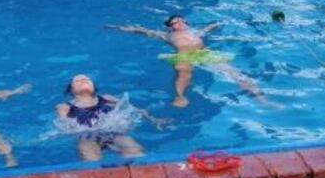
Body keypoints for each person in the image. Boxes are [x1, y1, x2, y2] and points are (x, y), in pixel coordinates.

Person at [107, 15, 263, 108]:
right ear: (170, 27)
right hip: (183, 55)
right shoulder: (166, 35)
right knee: (183, 73)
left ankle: (260, 97)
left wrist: (218, 23)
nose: (180, 23)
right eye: (175, 22)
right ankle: (180, 96)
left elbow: (210, 28)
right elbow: (141, 30)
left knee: (234, 73)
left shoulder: (196, 31)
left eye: (182, 20)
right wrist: (119, 27)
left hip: (204, 54)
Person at [56, 74, 167, 162]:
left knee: (133, 149)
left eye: (87, 79)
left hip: (113, 132)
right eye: (78, 80)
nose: (83, 80)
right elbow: (65, 124)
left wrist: (154, 119)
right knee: (89, 155)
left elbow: (132, 108)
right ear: (71, 89)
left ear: (94, 87)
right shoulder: (64, 106)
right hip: (86, 136)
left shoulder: (106, 98)